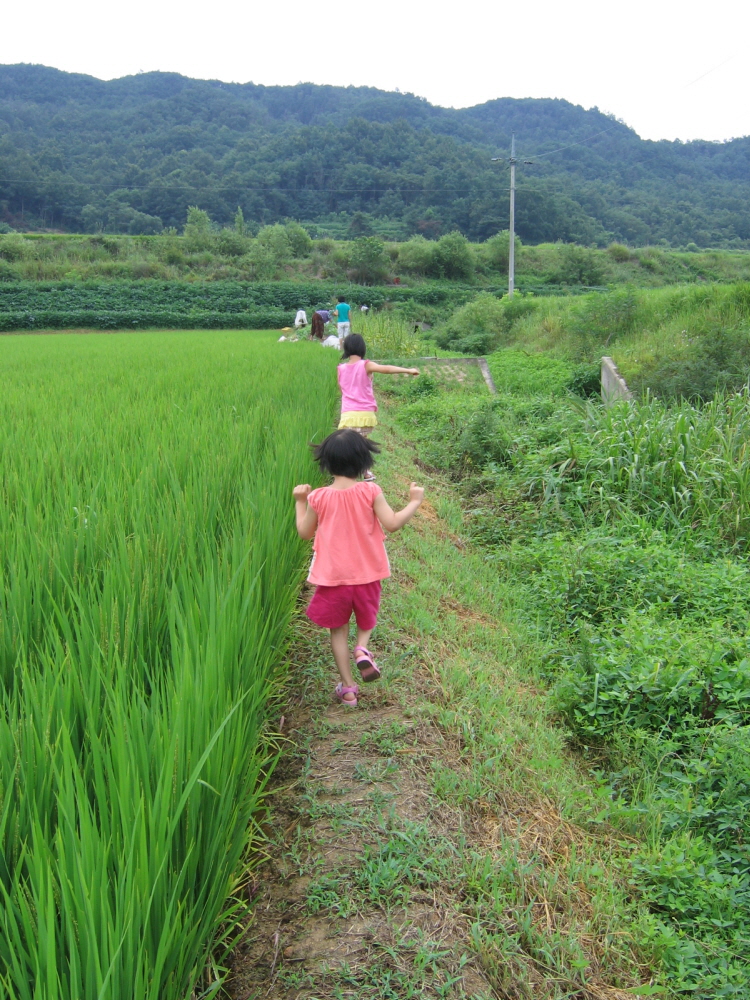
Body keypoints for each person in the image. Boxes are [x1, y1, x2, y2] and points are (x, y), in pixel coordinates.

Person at [293, 430, 424, 707]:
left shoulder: (318, 497)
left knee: (338, 631)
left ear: (326, 463)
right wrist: (414, 501)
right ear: (364, 462)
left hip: (332, 577)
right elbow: (392, 523)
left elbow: (304, 532)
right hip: (367, 574)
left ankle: (349, 689)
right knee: (366, 619)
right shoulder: (370, 491)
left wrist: (300, 501)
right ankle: (362, 648)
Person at [337, 334, 419, 477]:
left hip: (347, 415)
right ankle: (364, 471)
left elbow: (342, 390)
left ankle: (350, 472)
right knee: (361, 442)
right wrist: (408, 370)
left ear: (346, 348)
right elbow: (385, 369)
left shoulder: (341, 368)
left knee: (349, 444)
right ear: (362, 348)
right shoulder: (365, 365)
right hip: (365, 415)